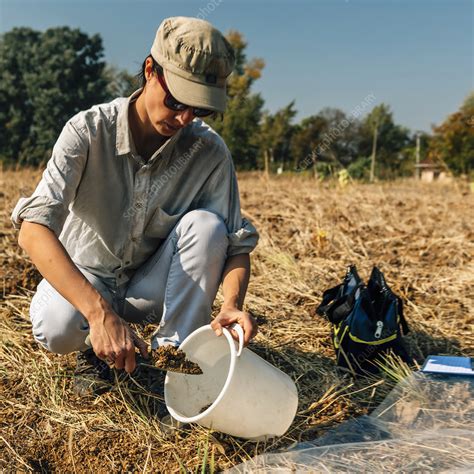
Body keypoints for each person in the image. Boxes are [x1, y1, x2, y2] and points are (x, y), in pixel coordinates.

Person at [11, 16, 259, 396]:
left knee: (208, 227)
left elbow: (236, 245)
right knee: (56, 326)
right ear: (149, 71)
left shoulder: (208, 152)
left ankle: (175, 362)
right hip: (87, 277)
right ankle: (96, 348)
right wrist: (98, 313)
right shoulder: (88, 132)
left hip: (151, 285)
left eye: (200, 109)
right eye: (177, 100)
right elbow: (33, 229)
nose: (184, 118)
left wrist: (232, 302)